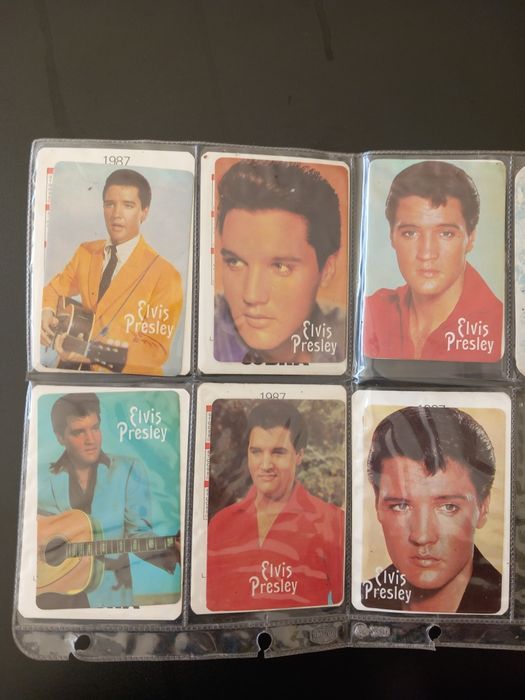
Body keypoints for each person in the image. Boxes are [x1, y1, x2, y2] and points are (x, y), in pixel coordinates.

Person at [37, 393, 179, 609]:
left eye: (95, 428)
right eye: (78, 432)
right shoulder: (40, 478)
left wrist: (173, 550)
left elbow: (139, 534)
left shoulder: (128, 470)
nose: (91, 440)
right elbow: (26, 530)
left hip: (107, 598)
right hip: (50, 595)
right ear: (60, 437)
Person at [40, 169, 183, 375]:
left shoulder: (166, 275)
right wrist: (46, 311)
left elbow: (154, 352)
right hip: (76, 373)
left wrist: (92, 353)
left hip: (127, 384)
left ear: (144, 212)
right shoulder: (86, 252)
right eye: (110, 204)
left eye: (128, 205)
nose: (117, 214)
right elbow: (53, 290)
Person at [361, 406, 502, 613]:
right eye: (401, 506)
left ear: (483, 507)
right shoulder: (360, 601)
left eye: (448, 507)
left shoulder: (512, 605)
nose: (422, 536)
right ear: (377, 506)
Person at [206, 400, 344, 611]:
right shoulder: (221, 524)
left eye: (278, 452)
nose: (265, 465)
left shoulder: (332, 522)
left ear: (299, 455)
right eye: (256, 452)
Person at [363, 161, 503, 362]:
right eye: (410, 233)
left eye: (446, 233)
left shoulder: (501, 328)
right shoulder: (372, 314)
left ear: (471, 238)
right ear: (392, 236)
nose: (427, 253)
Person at [214, 159, 346, 364]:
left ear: (327, 270)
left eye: (280, 267)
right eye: (235, 262)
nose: (252, 295)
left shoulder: (353, 338)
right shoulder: (199, 324)